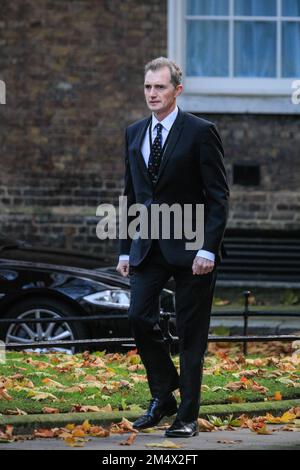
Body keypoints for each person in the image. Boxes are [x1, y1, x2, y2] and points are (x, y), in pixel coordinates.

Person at [116, 57, 229, 438]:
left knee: (191, 333)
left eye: (159, 87)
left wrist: (209, 249)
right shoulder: (134, 133)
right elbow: (132, 195)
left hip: (194, 249)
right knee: (138, 317)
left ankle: (187, 416)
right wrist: (123, 249)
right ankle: (164, 394)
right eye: (148, 87)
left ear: (177, 90)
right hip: (147, 245)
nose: (152, 93)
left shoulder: (200, 132)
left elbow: (218, 196)